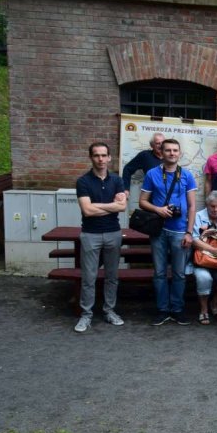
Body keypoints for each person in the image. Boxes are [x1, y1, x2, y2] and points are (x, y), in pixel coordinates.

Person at [139, 138, 197, 326]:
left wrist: (189, 232)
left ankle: (177, 310)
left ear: (179, 153)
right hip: (158, 230)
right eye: (168, 150)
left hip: (180, 231)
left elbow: (192, 206)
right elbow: (142, 201)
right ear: (161, 153)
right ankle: (162, 309)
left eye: (175, 150)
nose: (172, 153)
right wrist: (158, 209)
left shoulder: (187, 175)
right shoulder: (152, 174)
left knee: (179, 274)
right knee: (159, 273)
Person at [74, 142, 127, 333]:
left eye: (104, 155)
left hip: (113, 233)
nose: (101, 159)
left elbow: (122, 207)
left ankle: (109, 311)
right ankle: (86, 315)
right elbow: (87, 211)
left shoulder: (117, 180)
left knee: (112, 277)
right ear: (91, 157)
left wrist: (96, 205)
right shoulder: (83, 181)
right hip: (90, 234)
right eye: (96, 155)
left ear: (109, 157)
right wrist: (111, 206)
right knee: (89, 277)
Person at [190, 190, 217, 325]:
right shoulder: (198, 216)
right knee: (204, 278)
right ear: (207, 205)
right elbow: (193, 240)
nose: (215, 209)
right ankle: (204, 308)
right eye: (212, 206)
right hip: (202, 260)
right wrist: (213, 250)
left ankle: (214, 303)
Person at [122, 132, 163, 198]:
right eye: (158, 143)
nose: (161, 145)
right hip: (150, 195)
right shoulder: (145, 156)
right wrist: (126, 189)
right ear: (152, 145)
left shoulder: (170, 156)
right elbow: (127, 169)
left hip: (166, 194)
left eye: (163, 143)